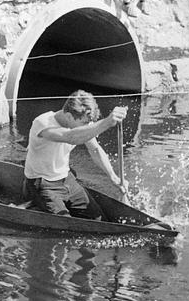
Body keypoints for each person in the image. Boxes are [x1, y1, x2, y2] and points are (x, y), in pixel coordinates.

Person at [23, 90, 127, 219]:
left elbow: (95, 149)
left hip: (67, 179)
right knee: (66, 226)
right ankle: (35, 203)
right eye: (83, 123)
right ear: (68, 116)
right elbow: (71, 137)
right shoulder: (43, 123)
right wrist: (106, 122)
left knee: (98, 219)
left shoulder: (79, 123)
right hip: (43, 184)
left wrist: (113, 176)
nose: (87, 126)